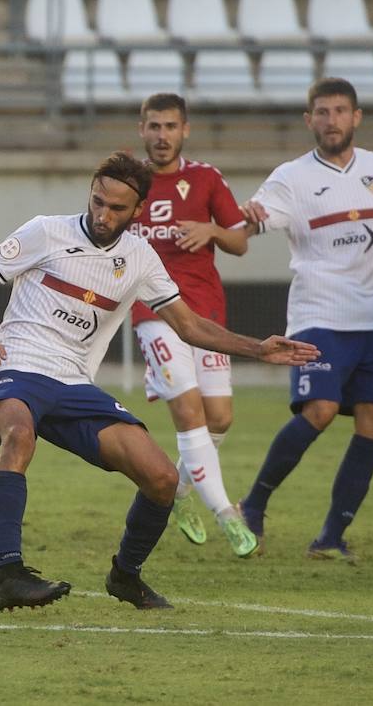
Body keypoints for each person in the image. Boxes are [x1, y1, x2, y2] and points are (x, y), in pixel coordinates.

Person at [0, 152, 319, 612]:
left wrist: (258, 348)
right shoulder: (46, 231)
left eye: (116, 208)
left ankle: (125, 576)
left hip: (75, 384)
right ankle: (9, 574)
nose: (103, 215)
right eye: (97, 202)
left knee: (163, 478)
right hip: (19, 366)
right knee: (19, 436)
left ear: (138, 210)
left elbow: (189, 326)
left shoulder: (140, 258)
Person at [235, 77, 373, 561]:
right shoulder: (290, 178)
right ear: (308, 119)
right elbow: (253, 221)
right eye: (321, 111)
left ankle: (331, 537)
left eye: (339, 111)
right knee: (318, 411)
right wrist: (245, 217)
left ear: (356, 117)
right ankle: (253, 505)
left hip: (370, 321)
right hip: (317, 314)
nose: (330, 120)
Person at [127, 92, 257, 557]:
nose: (162, 136)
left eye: (170, 127)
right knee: (188, 410)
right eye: (153, 126)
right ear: (141, 130)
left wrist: (213, 231)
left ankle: (180, 495)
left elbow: (240, 241)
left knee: (219, 417)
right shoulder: (129, 181)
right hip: (154, 315)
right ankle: (227, 514)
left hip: (205, 313)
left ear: (185, 130)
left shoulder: (205, 179)